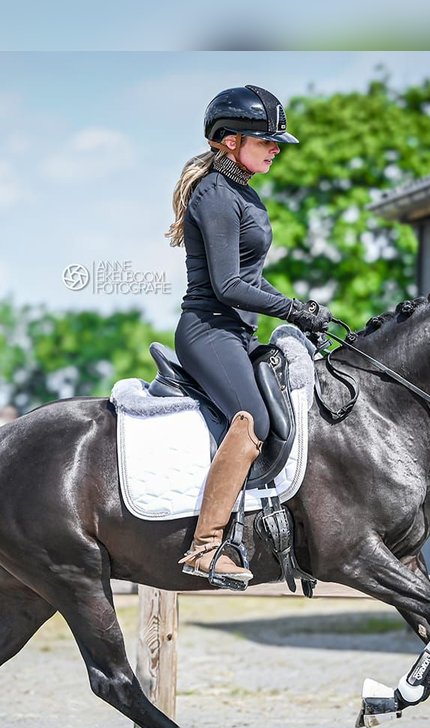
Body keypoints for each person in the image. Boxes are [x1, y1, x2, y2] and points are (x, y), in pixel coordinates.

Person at [165, 84, 331, 586]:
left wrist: (299, 312)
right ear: (230, 141)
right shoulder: (215, 194)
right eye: (267, 140)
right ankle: (206, 546)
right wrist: (293, 309)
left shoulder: (244, 193)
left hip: (236, 331)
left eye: (277, 141)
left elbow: (252, 279)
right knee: (253, 418)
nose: (276, 148)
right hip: (209, 330)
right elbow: (229, 285)